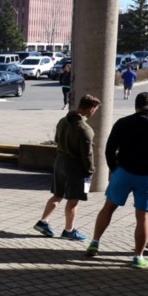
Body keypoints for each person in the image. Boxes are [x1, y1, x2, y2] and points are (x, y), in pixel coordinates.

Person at [86, 92, 148, 268]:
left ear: (136, 106)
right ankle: (138, 256)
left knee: (108, 207)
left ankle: (95, 242)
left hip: (124, 173)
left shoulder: (122, 123)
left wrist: (115, 169)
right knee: (143, 217)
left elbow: (109, 149)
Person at [33, 94, 102, 240]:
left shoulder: (62, 121)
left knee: (57, 194)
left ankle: (43, 221)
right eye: (95, 109)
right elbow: (87, 154)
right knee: (73, 199)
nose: (94, 112)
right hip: (75, 167)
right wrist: (90, 171)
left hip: (60, 162)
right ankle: (69, 230)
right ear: (90, 108)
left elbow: (57, 140)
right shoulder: (85, 129)